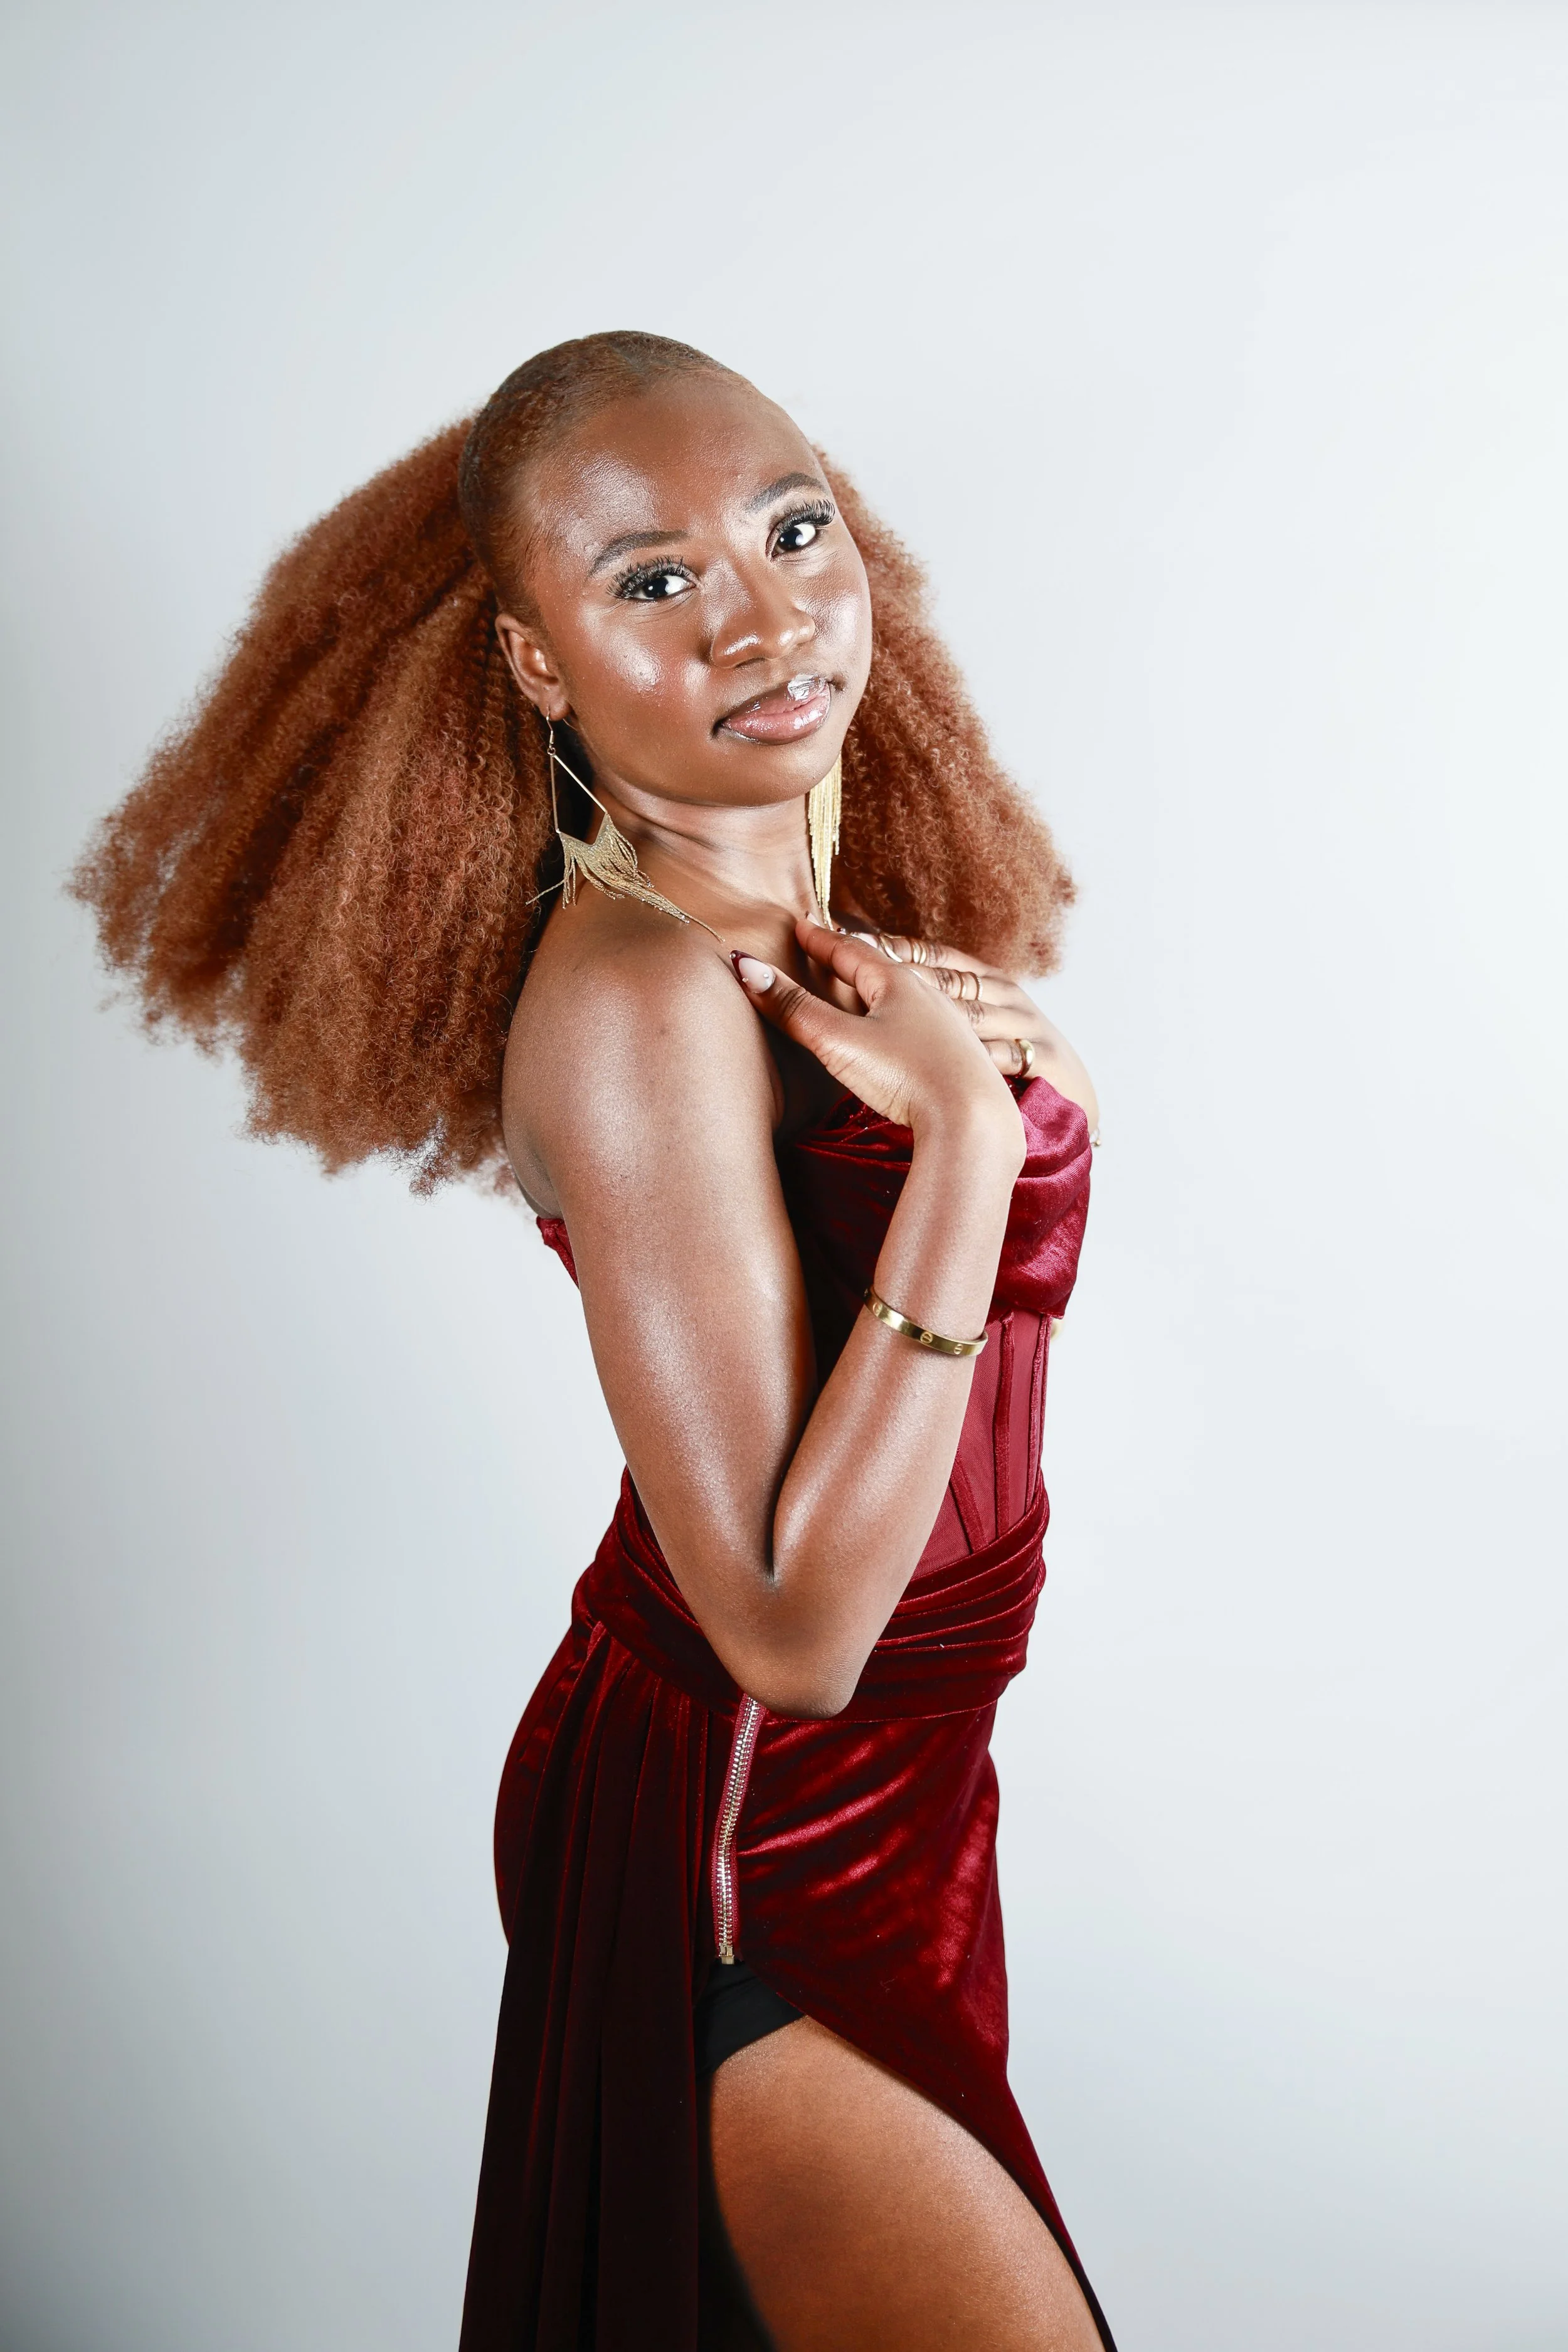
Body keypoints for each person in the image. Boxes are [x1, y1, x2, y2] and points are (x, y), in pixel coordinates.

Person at [73, 331, 1111, 2351]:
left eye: (795, 525)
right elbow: (790, 1631)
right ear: (535, 660)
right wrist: (977, 1147)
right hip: (757, 1820)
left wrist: (967, 1091)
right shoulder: (634, 995)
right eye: (651, 577)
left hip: (910, 1798)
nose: (765, 607)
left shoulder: (814, 952)